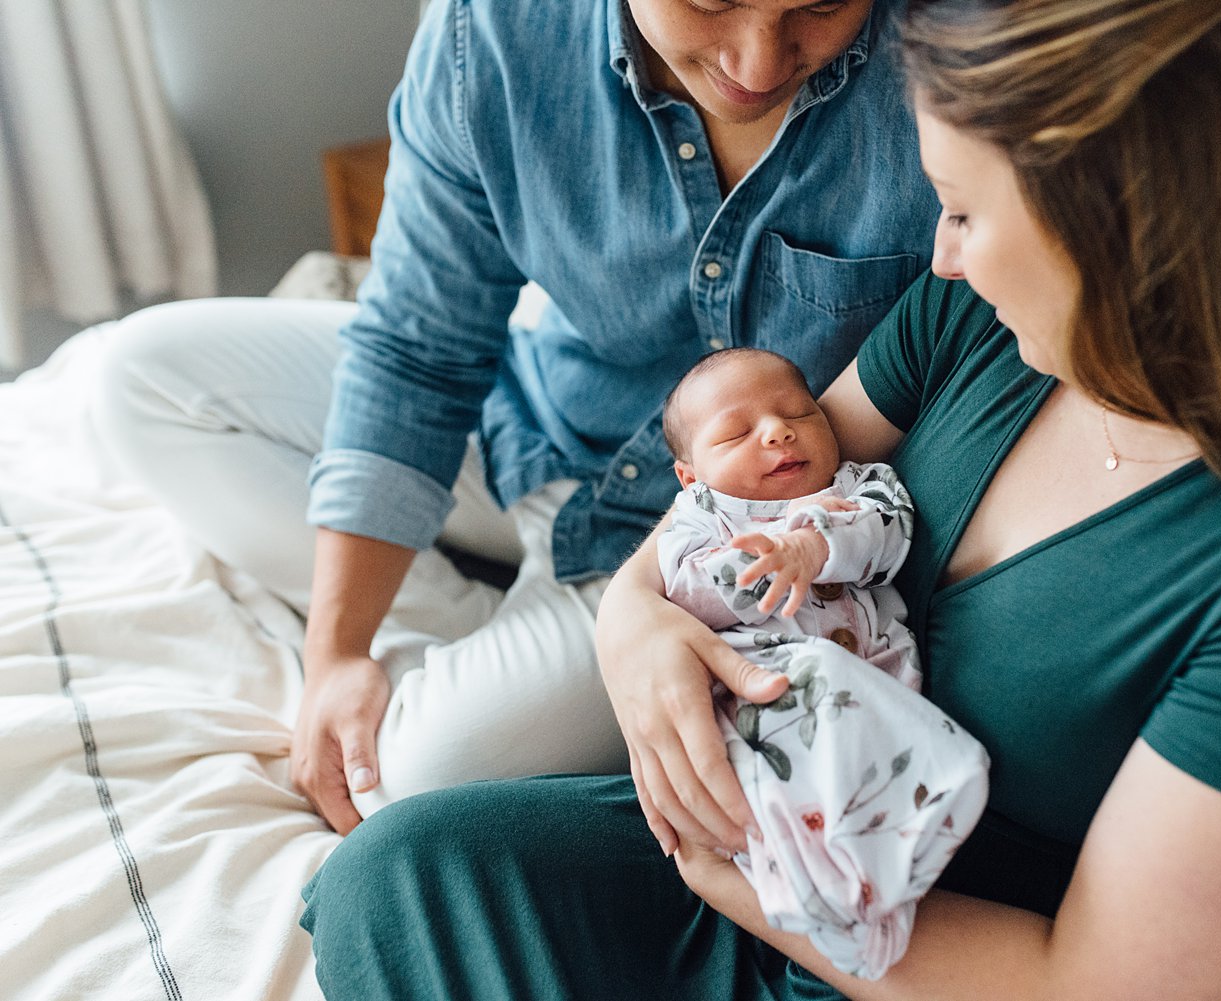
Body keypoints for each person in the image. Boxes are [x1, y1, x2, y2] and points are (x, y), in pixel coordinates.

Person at [296, 1, 1221, 998]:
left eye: (965, 210)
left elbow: (1090, 983)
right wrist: (634, 622)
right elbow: (729, 496)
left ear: (1128, 218)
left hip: (960, 956)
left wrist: (734, 872)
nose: (938, 251)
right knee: (401, 875)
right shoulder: (974, 324)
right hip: (778, 826)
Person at [89, 0, 941, 835]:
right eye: (710, 2)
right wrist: (338, 652)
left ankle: (492, 640)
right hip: (532, 420)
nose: (758, 63)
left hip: (702, 552)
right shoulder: (493, 30)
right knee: (139, 379)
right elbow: (417, 347)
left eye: (821, 6)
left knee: (416, 779)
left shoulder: (956, 61)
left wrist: (639, 602)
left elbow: (931, 369)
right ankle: (444, 617)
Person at [658, 346, 989, 978]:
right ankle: (821, 900)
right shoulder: (699, 519)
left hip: (875, 688)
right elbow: (685, 591)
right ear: (690, 475)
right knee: (767, 807)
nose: (778, 432)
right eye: (736, 432)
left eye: (799, 413)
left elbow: (887, 533)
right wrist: (754, 568)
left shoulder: (857, 490)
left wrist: (811, 544)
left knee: (875, 776)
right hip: (763, 700)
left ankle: (901, 858)